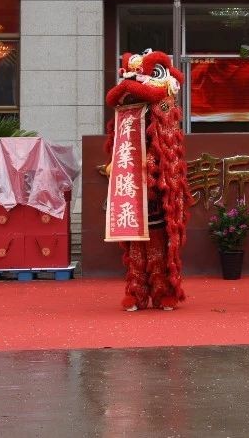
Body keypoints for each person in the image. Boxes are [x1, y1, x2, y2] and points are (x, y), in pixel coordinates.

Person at [103, 49, 190, 311]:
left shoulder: (165, 105)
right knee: (134, 247)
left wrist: (150, 163)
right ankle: (137, 292)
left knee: (159, 245)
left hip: (158, 188)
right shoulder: (128, 110)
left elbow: (168, 146)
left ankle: (164, 291)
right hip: (133, 187)